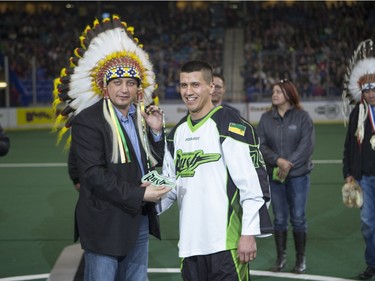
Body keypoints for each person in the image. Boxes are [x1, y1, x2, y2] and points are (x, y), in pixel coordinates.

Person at [52, 16, 171, 280]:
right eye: (117, 82)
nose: (124, 89)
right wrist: (140, 195)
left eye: (130, 83)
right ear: (105, 88)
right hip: (105, 220)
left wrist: (155, 131)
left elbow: (155, 160)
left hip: (138, 217)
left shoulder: (142, 117)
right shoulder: (87, 120)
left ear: (139, 88)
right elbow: (94, 174)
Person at [158, 60, 273, 281]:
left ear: (211, 87)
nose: (188, 92)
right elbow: (170, 186)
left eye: (195, 85)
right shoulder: (176, 134)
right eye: (183, 85)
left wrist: (248, 233)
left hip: (225, 245)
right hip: (190, 246)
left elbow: (252, 184)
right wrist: (140, 202)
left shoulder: (228, 124)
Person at [256, 79, 315, 274]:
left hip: (298, 175)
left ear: (289, 94)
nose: (274, 95)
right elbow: (261, 145)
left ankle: (301, 259)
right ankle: (280, 259)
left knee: (298, 218)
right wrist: (278, 160)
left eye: (278, 92)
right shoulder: (265, 119)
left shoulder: (303, 117)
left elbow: (306, 146)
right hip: (276, 176)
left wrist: (287, 164)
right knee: (280, 219)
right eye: (273, 91)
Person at [342, 39, 375, 280]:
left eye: (374, 89)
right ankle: (372, 263)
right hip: (364, 178)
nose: (371, 93)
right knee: (368, 224)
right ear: (361, 92)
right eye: (367, 90)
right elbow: (348, 146)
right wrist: (348, 172)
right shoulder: (357, 113)